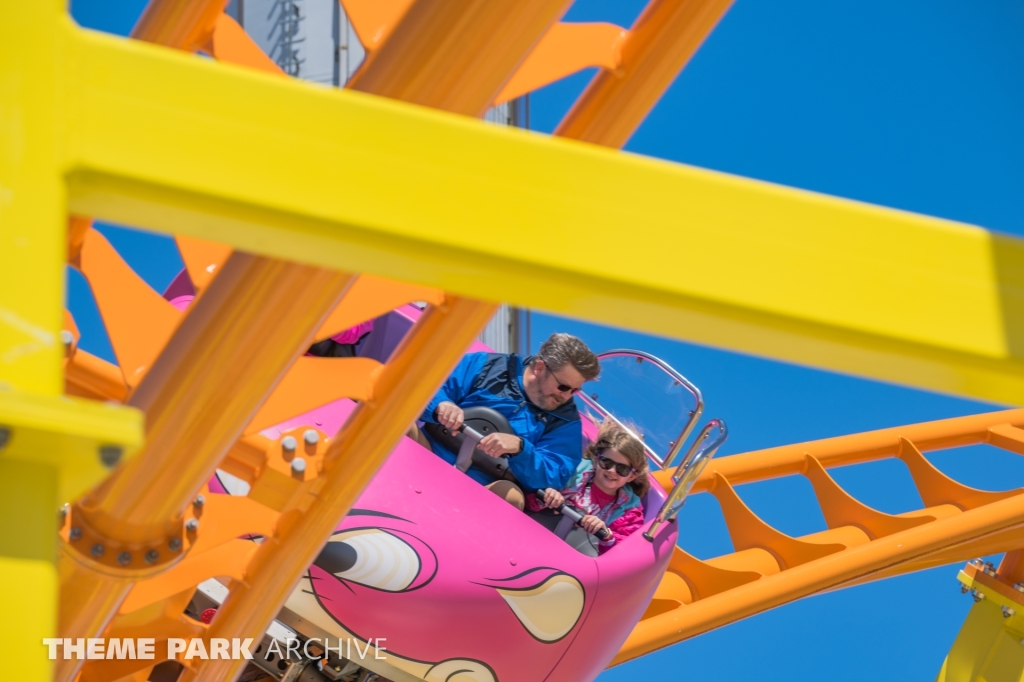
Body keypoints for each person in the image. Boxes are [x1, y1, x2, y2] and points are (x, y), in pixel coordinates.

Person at [409, 333, 600, 510]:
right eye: (563, 386)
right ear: (540, 368)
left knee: (512, 497)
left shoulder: (566, 422)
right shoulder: (487, 366)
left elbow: (553, 476)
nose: (566, 396)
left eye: (574, 391)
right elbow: (428, 383)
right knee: (403, 428)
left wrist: (520, 448)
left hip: (481, 487)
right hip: (428, 452)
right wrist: (441, 403)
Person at [527, 421, 649, 555]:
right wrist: (545, 496)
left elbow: (622, 555)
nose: (612, 471)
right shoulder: (571, 471)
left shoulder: (629, 512)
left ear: (632, 476)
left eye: (622, 469)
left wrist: (606, 534)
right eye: (607, 462)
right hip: (536, 533)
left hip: (573, 557)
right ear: (596, 460)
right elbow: (528, 494)